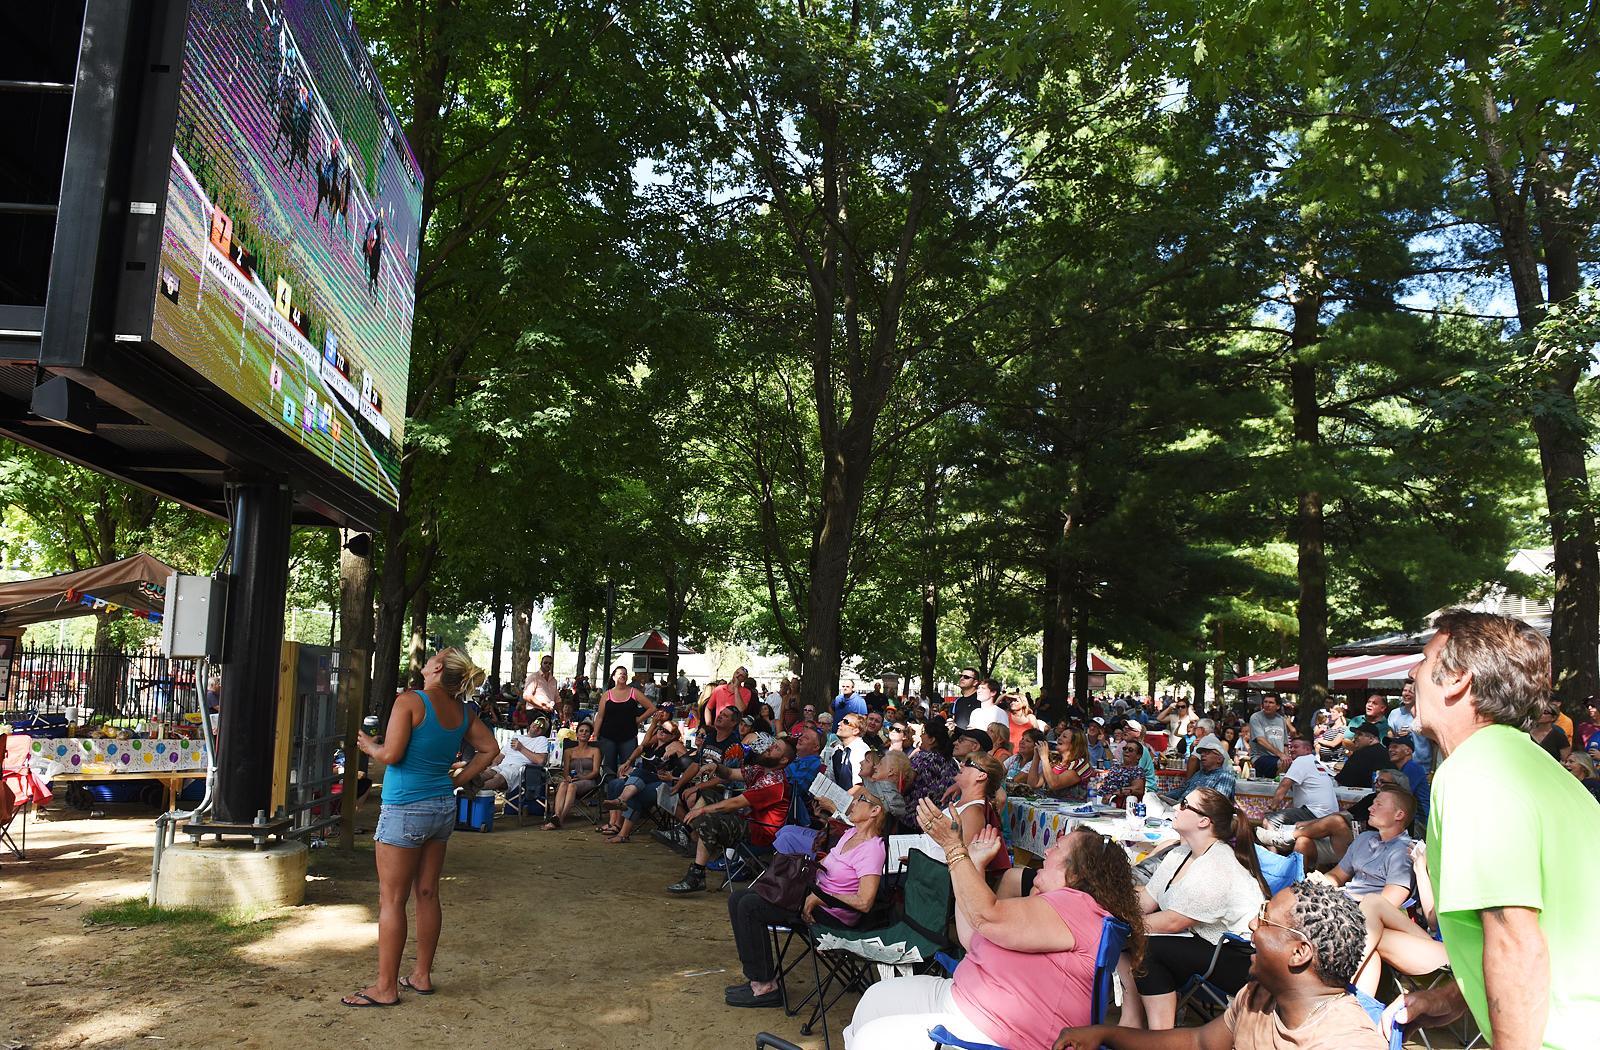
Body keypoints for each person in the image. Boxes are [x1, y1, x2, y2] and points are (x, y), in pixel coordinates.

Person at [1386, 610, 1600, 1050]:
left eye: (1423, 661)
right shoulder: (1532, 765)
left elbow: (1515, 942)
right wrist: (1453, 996)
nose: (1412, 672)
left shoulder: (1474, 773)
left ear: (1458, 679)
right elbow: (1553, 927)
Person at [845, 812, 1146, 1050]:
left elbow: (987, 916)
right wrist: (973, 862)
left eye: (1058, 846)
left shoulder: (1077, 907)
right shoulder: (1050, 905)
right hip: (965, 1000)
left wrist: (954, 849)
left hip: (1000, 1033)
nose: (1048, 849)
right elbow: (974, 934)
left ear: (1078, 872)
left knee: (871, 1039)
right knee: (874, 999)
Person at [1055, 880, 1388, 1050]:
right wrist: (1106, 1033)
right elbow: (1198, 1043)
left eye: (1266, 920)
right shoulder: (1259, 996)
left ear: (1300, 952)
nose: (1253, 927)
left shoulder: (1345, 1040)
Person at [342, 648, 494, 1006]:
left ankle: (385, 988)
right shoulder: (462, 710)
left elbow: (391, 755)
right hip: (442, 807)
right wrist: (456, 782)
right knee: (427, 893)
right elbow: (490, 748)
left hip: (405, 807)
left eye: (431, 658)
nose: (425, 661)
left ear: (437, 668)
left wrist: (370, 746)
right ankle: (421, 976)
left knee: (391, 899)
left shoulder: (410, 701)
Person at [724, 788, 891, 1008]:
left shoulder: (872, 849)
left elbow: (865, 901)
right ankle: (758, 978)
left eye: (860, 799)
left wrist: (820, 898)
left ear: (875, 811)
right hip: (814, 896)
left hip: (832, 914)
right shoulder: (851, 834)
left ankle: (765, 987)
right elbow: (826, 865)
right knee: (738, 899)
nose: (853, 802)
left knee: (749, 906)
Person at [1116, 787, 1266, 1029]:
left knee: (1147, 947)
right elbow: (1146, 901)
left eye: (1184, 804)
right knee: (1127, 942)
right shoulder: (1181, 853)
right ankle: (1133, 1021)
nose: (1176, 807)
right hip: (1205, 943)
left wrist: (1124, 926)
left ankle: (1161, 1036)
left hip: (1240, 955)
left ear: (1204, 821)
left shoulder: (1219, 863)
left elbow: (1174, 922)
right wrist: (1109, 909)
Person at [667, 734, 791, 893]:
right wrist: (717, 767)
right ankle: (685, 832)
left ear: (783, 760)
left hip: (760, 832)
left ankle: (696, 875)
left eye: (776, 748)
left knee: (707, 818)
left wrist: (701, 810)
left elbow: (734, 804)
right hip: (747, 821)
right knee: (708, 794)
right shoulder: (761, 770)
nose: (770, 748)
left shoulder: (774, 783)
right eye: (773, 745)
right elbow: (731, 774)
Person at [1312, 784, 1415, 906]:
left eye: (1379, 804)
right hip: (1342, 901)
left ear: (1399, 815)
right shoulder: (1364, 838)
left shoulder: (1403, 852)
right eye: (1373, 803)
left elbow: (1387, 905)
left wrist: (1342, 901)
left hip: (1361, 913)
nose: (1370, 808)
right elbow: (1336, 876)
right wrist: (1320, 882)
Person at [1255, 736, 1341, 868]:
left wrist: (1272, 808)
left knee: (1269, 820)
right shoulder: (1316, 763)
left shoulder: (1302, 761)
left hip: (1314, 812)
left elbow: (1284, 785)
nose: (1292, 750)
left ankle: (1274, 862)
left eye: (1296, 747)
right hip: (1328, 814)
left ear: (1307, 749)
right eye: (1291, 747)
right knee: (1283, 819)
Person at [593, 664, 656, 774]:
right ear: (613, 677)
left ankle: (625, 788)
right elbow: (600, 717)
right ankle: (609, 787)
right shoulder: (607, 695)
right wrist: (595, 734)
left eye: (625, 674)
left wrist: (639, 719)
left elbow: (652, 708)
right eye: (620, 673)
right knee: (608, 766)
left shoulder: (634, 692)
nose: (623, 675)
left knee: (627, 766)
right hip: (608, 736)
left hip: (628, 736)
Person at [542, 720, 602, 830]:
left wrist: (583, 777)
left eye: (587, 731)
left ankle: (559, 819)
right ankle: (556, 817)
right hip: (572, 779)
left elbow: (596, 771)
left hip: (588, 780)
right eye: (581, 731)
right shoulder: (568, 751)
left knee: (571, 786)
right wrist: (567, 777)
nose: (584, 733)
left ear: (590, 735)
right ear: (577, 734)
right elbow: (565, 770)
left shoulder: (595, 750)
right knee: (564, 784)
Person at [908, 720, 960, 813]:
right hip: (941, 815)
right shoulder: (952, 762)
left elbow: (906, 781)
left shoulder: (922, 758)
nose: (921, 736)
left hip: (917, 815)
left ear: (932, 740)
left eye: (924, 733)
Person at [1028, 727, 1093, 802]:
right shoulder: (1056, 762)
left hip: (1071, 810)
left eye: (1064, 736)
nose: (1059, 738)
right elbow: (1033, 784)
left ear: (1075, 744)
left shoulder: (1081, 764)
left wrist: (1044, 758)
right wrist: (1036, 756)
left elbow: (1054, 784)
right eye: (1060, 735)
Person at [1168, 736, 1236, 800]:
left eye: (1207, 752)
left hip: (1196, 810)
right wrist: (1164, 796)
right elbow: (1182, 789)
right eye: (1202, 753)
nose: (1202, 755)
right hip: (1180, 807)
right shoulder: (1199, 773)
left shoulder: (1225, 777)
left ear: (1219, 759)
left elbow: (1217, 803)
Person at [1389, 674, 1433, 767]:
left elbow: (1434, 741)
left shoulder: (1427, 714)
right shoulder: (1394, 713)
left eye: (1411, 691)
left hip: (1423, 765)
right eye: (1405, 690)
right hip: (1401, 765)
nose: (1406, 694)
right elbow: (1390, 737)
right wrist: (1398, 736)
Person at [1334, 721, 1394, 789]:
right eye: (1355, 734)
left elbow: (1342, 780)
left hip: (1359, 795)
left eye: (1359, 734)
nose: (1355, 737)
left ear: (1371, 739)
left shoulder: (1360, 754)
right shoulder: (1387, 753)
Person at [1384, 734, 1430, 822]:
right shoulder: (1405, 769)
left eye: (1395, 747)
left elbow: (1399, 797)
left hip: (1420, 822)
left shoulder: (1412, 768)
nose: (1390, 750)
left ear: (1408, 751)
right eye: (1389, 747)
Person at [822, 713, 872, 789]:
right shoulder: (837, 749)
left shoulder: (861, 751)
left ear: (855, 731)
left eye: (845, 722)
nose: (839, 723)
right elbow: (831, 779)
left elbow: (860, 787)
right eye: (841, 721)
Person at [1248, 695, 1290, 779]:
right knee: (1282, 763)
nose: (1267, 705)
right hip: (1260, 757)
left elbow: (1285, 743)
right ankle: (1277, 787)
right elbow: (1260, 740)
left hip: (1278, 757)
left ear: (1277, 706)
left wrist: (1287, 756)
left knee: (1290, 764)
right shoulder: (1256, 717)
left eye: (1271, 702)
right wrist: (1281, 755)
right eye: (1265, 702)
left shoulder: (1281, 720)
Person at [521, 654, 558, 721]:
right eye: (545, 663)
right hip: (535, 712)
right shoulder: (534, 677)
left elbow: (557, 698)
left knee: (548, 731)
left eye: (550, 663)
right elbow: (526, 696)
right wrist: (542, 706)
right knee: (535, 731)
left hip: (549, 712)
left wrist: (560, 712)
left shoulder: (553, 680)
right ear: (541, 663)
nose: (548, 665)